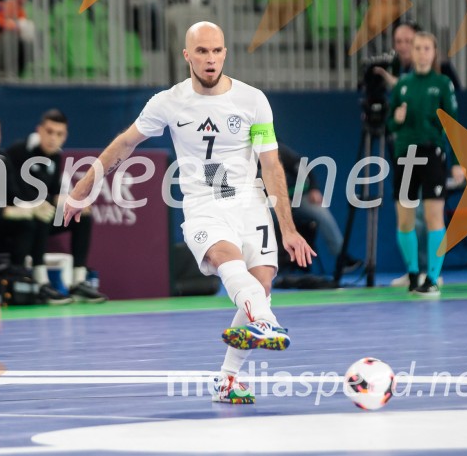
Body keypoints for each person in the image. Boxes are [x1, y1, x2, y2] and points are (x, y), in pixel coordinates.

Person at [64, 21, 315, 404]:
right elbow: (125, 144)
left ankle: (228, 379)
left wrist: (288, 229)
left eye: (216, 51)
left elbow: (271, 165)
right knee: (227, 263)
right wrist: (84, 188)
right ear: (187, 56)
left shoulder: (253, 100)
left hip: (249, 202)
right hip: (203, 203)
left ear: (225, 53)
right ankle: (265, 322)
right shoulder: (169, 101)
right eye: (202, 52)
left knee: (260, 286)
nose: (210, 59)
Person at [0, 112, 73, 304]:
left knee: (30, 221)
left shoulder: (2, 159)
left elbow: (15, 194)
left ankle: (20, 277)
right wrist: (8, 211)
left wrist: (34, 207)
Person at [387, 31, 464, 296]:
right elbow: (389, 122)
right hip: (405, 155)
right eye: (417, 48)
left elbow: (453, 124)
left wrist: (456, 162)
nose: (421, 52)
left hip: (432, 154)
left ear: (433, 53)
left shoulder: (442, 84)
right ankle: (412, 274)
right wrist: (396, 118)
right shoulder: (402, 84)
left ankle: (432, 279)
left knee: (434, 217)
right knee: (405, 220)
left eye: (426, 48)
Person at [6, 109, 108, 303]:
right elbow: (16, 193)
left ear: (65, 136)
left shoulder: (55, 157)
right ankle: (41, 283)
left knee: (81, 215)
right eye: (49, 132)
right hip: (15, 220)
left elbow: (54, 192)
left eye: (59, 134)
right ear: (39, 130)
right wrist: (54, 201)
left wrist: (71, 202)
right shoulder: (19, 151)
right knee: (45, 211)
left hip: (40, 216)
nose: (53, 138)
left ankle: (78, 282)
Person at [278, 143, 361, 273]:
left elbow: (303, 167)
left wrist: (313, 188)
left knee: (319, 210)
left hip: (294, 198)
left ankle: (342, 257)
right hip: (266, 204)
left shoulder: (278, 149)